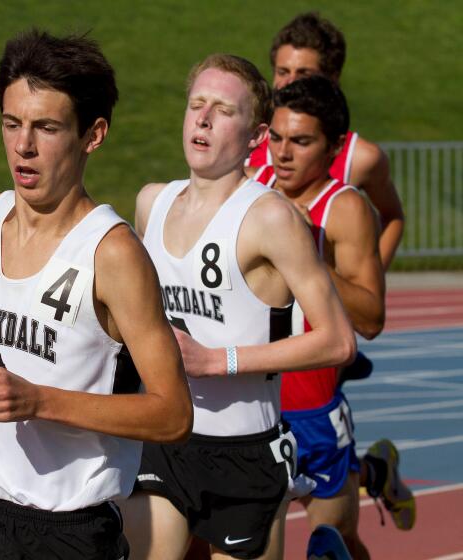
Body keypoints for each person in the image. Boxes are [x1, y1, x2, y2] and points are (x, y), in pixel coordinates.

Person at [0, 29, 193, 560]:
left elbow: (173, 415)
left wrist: (40, 401)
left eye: (46, 128)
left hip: (66, 527)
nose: (23, 146)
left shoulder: (112, 256)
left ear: (93, 135)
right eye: (12, 124)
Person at [122, 54, 356, 560]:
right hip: (166, 437)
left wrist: (217, 360)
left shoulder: (272, 218)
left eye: (223, 110)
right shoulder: (151, 202)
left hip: (245, 451)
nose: (202, 119)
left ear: (256, 136)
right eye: (195, 105)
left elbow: (338, 340)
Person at [265, 76, 414, 558]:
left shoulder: (344, 208)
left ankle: (374, 475)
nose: (282, 154)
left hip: (311, 406)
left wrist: (309, 257)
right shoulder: (252, 189)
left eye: (301, 142)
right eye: (276, 138)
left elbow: (371, 316)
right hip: (251, 398)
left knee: (332, 543)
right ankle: (375, 472)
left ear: (332, 150)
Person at [247, 11, 404, 271]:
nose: (289, 82)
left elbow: (393, 216)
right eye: (282, 71)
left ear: (332, 78)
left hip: (323, 296)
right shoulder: (248, 142)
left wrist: (372, 276)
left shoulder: (361, 157)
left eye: (303, 73)